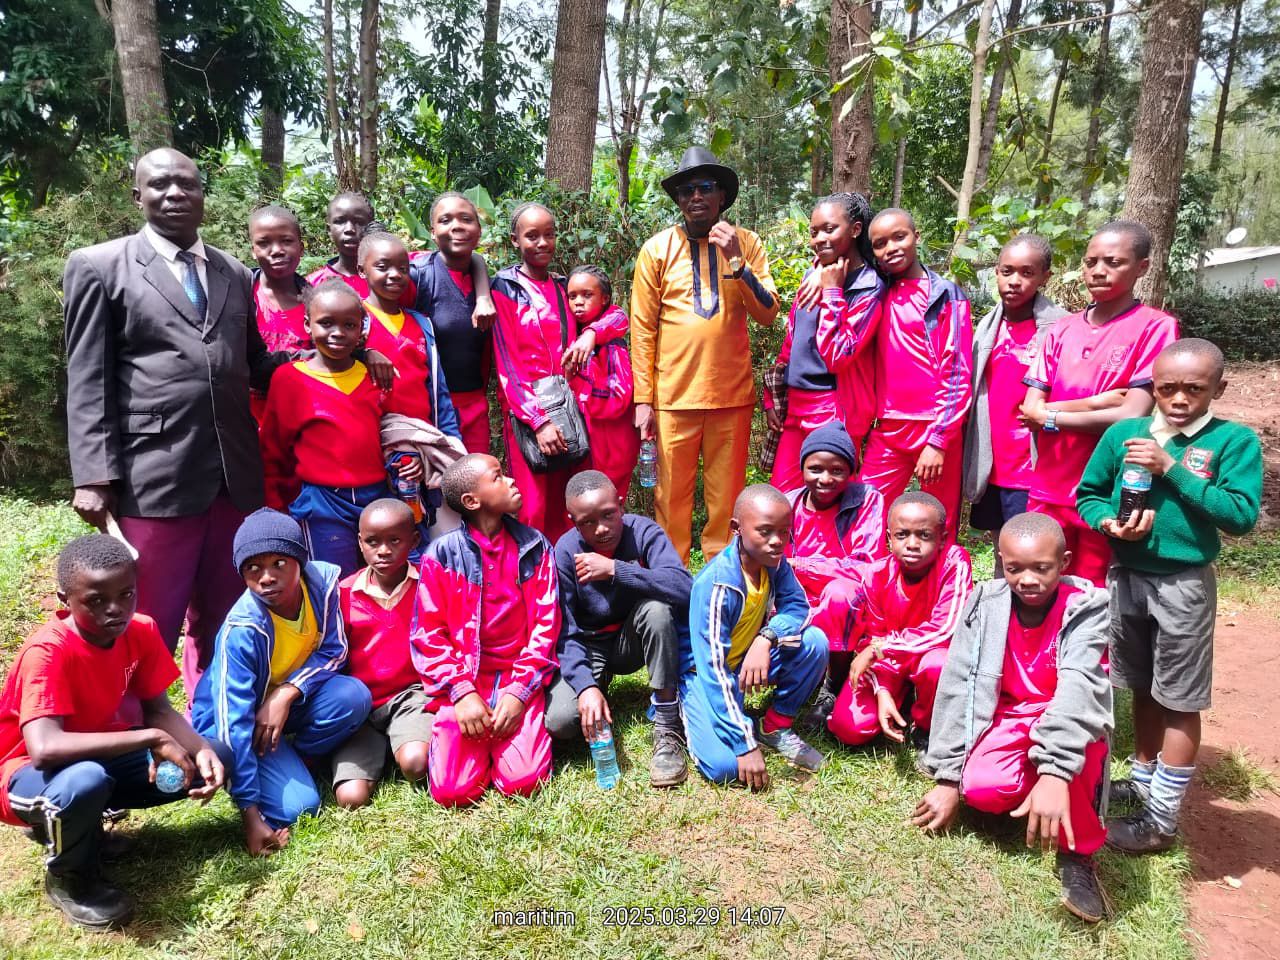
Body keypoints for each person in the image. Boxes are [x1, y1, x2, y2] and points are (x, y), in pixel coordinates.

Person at [63, 147, 289, 700]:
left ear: (202, 194)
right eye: (159, 185)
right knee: (149, 615)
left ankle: (215, 718)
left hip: (232, 477)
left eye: (185, 184)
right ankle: (132, 729)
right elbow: (87, 375)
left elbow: (255, 361)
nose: (173, 194)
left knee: (226, 608)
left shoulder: (233, 271)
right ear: (137, 196)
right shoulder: (100, 265)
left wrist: (335, 357)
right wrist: (92, 475)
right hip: (153, 477)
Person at [1076, 338, 1262, 853]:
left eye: (1194, 389)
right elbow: (1088, 494)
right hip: (1127, 574)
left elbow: (1240, 516)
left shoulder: (1233, 442)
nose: (1179, 399)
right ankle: (1140, 781)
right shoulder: (1124, 434)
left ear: (1217, 390)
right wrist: (1108, 523)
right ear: (1152, 387)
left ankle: (1161, 819)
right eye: (1167, 388)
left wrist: (1172, 469)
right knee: (1139, 684)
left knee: (1178, 697)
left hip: (1183, 584)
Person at [0, 535, 231, 930]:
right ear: (64, 598)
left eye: (126, 594)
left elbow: (157, 708)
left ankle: (85, 828)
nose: (115, 609)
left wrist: (199, 748)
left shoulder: (140, 630)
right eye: (96, 600)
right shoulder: (49, 652)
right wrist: (150, 739)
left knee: (216, 752)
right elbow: (44, 748)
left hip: (95, 760)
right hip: (23, 777)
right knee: (83, 782)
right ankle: (70, 879)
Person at [915, 512, 1113, 924]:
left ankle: (1079, 856)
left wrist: (1056, 772)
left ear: (1065, 562)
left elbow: (1078, 687)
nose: (1027, 579)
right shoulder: (984, 603)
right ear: (1000, 562)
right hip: (1011, 715)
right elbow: (959, 684)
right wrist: (949, 778)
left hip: (1064, 711)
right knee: (984, 790)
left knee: (1086, 741)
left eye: (1041, 568)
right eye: (1014, 568)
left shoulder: (1088, 606)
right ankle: (1031, 789)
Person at [631, 147, 780, 563]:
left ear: (721, 197)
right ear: (678, 199)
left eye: (705, 188)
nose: (696, 197)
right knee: (670, 503)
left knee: (727, 503)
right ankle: (670, 581)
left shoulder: (747, 243)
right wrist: (644, 399)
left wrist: (737, 259)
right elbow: (642, 329)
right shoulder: (657, 250)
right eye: (686, 190)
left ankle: (723, 581)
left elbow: (768, 313)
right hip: (673, 398)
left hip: (731, 396)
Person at [192, 509, 371, 855]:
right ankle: (268, 771)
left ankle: (295, 757)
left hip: (282, 704)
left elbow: (335, 650)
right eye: (253, 568)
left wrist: (285, 695)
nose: (267, 577)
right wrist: (250, 813)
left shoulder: (322, 585)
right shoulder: (241, 630)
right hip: (230, 720)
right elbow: (233, 725)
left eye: (279, 563)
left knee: (353, 697)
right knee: (299, 809)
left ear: (299, 562)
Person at [1020, 220, 1180, 586]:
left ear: (1142, 267)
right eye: (1091, 262)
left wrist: (1050, 415)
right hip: (1048, 484)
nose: (1098, 271)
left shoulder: (1156, 328)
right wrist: (1096, 403)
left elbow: (1131, 413)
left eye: (1113, 262)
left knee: (1094, 594)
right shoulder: (1061, 330)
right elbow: (1030, 408)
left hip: (1105, 488)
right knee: (1042, 586)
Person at [411, 454, 559, 805]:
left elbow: (545, 626)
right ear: (472, 501)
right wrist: (461, 692)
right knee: (452, 791)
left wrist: (520, 691)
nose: (511, 481)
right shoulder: (441, 555)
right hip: (465, 679)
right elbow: (428, 634)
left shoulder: (535, 547)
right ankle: (479, 746)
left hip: (516, 676)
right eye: (498, 476)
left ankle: (509, 745)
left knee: (523, 783)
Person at [259, 280, 422, 576]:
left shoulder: (375, 375)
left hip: (378, 497)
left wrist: (411, 461)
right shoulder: (289, 380)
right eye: (326, 323)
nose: (337, 333)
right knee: (333, 581)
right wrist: (276, 508)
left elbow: (397, 432)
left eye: (349, 325)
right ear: (308, 325)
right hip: (322, 504)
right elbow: (273, 450)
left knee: (387, 576)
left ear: (362, 329)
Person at [545, 470, 693, 787]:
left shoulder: (644, 533)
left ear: (621, 506)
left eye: (608, 515)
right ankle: (597, 689)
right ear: (572, 520)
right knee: (561, 723)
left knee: (657, 610)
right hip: (591, 645)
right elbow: (565, 629)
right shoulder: (565, 551)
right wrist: (585, 685)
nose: (600, 529)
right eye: (586, 522)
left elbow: (684, 588)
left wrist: (615, 569)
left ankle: (668, 726)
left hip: (634, 640)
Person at [491, 203, 627, 539]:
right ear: (515, 240)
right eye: (532, 236)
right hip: (531, 415)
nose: (542, 243)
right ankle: (536, 581)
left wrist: (592, 335)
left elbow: (617, 316)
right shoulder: (505, 287)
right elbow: (506, 362)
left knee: (575, 504)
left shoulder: (565, 287)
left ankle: (574, 578)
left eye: (548, 235)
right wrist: (538, 421)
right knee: (534, 507)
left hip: (572, 411)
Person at [679, 484, 828, 789]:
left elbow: (798, 607)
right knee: (725, 767)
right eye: (765, 531)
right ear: (737, 529)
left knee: (815, 643)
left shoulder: (773, 563)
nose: (777, 542)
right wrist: (744, 744)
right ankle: (682, 714)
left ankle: (775, 726)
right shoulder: (719, 586)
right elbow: (713, 668)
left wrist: (767, 637)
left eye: (784, 532)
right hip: (702, 674)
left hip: (743, 662)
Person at [858, 209, 973, 544]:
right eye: (879, 243)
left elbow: (957, 371)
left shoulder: (945, 294)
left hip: (935, 429)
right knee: (868, 514)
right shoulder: (873, 291)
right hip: (887, 428)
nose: (891, 247)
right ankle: (868, 590)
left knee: (938, 523)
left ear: (916, 236)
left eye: (899, 237)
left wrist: (938, 440)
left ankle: (943, 594)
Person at [826, 492, 973, 751]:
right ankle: (897, 695)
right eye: (902, 534)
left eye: (924, 535)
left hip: (930, 654)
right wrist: (881, 690)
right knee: (848, 728)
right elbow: (872, 637)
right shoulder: (876, 574)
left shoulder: (954, 562)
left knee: (937, 665)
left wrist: (880, 649)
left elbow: (945, 627)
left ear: (942, 539)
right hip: (889, 662)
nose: (912, 544)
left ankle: (925, 723)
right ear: (888, 538)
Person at [763, 192, 884, 493]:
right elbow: (792, 340)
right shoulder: (813, 273)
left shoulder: (869, 287)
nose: (819, 238)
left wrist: (832, 293)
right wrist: (773, 398)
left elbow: (838, 356)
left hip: (834, 407)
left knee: (830, 496)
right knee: (783, 496)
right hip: (797, 405)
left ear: (855, 230)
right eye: (814, 232)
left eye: (830, 229)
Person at [962, 235, 1067, 562]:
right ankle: (1002, 610)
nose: (1015, 281)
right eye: (1007, 271)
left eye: (1027, 272)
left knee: (1035, 552)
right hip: (992, 464)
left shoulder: (1062, 328)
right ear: (996, 272)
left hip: (1033, 465)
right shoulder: (986, 329)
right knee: (1002, 551)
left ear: (1044, 277)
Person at [783, 422, 887, 723]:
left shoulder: (867, 500)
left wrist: (802, 565)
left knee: (840, 593)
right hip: (796, 595)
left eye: (837, 470)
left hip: (846, 601)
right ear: (803, 468)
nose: (825, 478)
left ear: (851, 471)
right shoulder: (787, 502)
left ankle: (833, 683)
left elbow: (864, 567)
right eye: (815, 469)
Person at [332, 500, 433, 809]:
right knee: (350, 799)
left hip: (411, 695)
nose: (384, 550)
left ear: (414, 541)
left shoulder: (428, 586)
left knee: (415, 764)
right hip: (361, 706)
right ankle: (381, 750)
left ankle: (404, 742)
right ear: (360, 543)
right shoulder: (343, 594)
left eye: (395, 540)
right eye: (373, 542)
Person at [409, 191, 499, 455]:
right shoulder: (417, 276)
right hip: (430, 408)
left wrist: (483, 295)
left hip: (474, 407)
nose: (456, 226)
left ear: (479, 230)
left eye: (466, 219)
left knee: (475, 482)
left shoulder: (490, 284)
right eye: (445, 220)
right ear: (433, 231)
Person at [358, 230, 461, 436]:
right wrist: (362, 353)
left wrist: (452, 439)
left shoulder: (422, 324)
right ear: (362, 270)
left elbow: (438, 390)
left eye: (403, 269)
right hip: (375, 437)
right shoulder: (356, 321)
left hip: (423, 435)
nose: (395, 274)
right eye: (382, 267)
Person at [567, 265, 642, 500]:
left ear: (604, 299)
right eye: (572, 296)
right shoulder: (569, 330)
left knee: (609, 499)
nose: (578, 302)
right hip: (588, 437)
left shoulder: (610, 338)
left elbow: (614, 399)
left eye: (587, 295)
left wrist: (591, 334)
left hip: (613, 439)